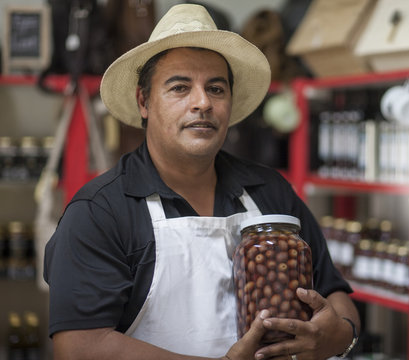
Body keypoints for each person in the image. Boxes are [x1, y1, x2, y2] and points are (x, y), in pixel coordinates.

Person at [44, 4, 360, 360]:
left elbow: (335, 296)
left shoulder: (269, 191)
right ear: (144, 101)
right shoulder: (101, 211)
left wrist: (339, 335)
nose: (202, 103)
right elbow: (79, 348)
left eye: (216, 88)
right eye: (180, 88)